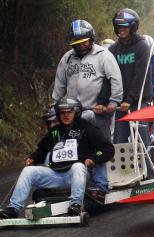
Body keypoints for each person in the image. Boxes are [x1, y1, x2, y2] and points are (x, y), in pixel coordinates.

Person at [0, 98, 115, 218]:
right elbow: (42, 150)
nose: (65, 115)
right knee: (28, 171)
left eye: (69, 112)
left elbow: (107, 148)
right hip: (56, 174)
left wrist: (94, 159)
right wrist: (33, 158)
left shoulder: (88, 129)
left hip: (78, 174)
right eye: (62, 112)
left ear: (77, 112)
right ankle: (13, 208)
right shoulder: (55, 132)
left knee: (77, 166)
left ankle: (76, 205)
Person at [52, 19, 122, 197]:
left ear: (91, 39)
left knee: (99, 147)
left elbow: (115, 79)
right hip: (74, 114)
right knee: (73, 147)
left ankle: (100, 186)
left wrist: (113, 102)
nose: (81, 46)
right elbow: (59, 86)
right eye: (77, 43)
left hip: (99, 112)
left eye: (84, 42)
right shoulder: (67, 59)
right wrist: (55, 109)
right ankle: (76, 182)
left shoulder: (103, 55)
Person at [108, 8, 152, 145]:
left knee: (141, 143)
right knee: (119, 142)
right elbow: (108, 77)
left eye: (125, 26)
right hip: (121, 104)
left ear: (133, 27)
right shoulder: (113, 50)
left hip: (140, 102)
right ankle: (125, 167)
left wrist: (130, 99)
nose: (121, 29)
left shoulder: (142, 46)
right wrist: (105, 100)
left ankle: (147, 167)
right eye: (119, 26)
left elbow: (140, 76)